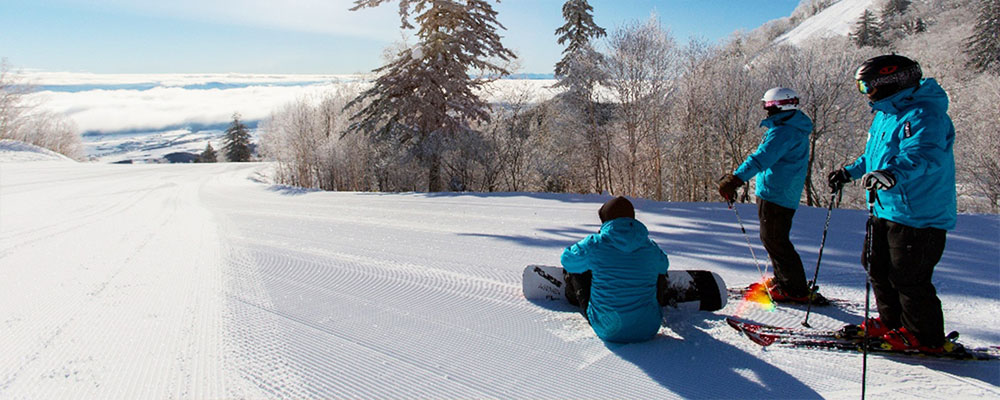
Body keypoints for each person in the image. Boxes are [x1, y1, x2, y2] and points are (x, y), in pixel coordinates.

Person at [827, 54, 956, 352]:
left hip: (919, 214)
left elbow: (925, 155)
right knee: (875, 266)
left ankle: (925, 336)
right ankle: (892, 322)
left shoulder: (925, 114)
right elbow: (875, 157)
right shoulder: (887, 113)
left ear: (890, 82)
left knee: (908, 277)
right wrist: (849, 171)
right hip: (887, 207)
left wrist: (892, 174)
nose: (865, 92)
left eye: (866, 86)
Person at [718, 87, 824, 304]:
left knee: (775, 239)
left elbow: (761, 159)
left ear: (777, 106)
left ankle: (794, 288)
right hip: (782, 192)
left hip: (776, 193)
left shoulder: (784, 132)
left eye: (767, 105)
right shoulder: (792, 127)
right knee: (774, 238)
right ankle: (784, 280)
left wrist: (736, 179)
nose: (766, 110)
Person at [560, 196, 670, 343]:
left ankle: (573, 294)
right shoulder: (650, 246)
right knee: (658, 270)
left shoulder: (595, 244)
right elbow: (664, 266)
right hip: (648, 328)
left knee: (578, 269)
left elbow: (567, 260)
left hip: (608, 329)